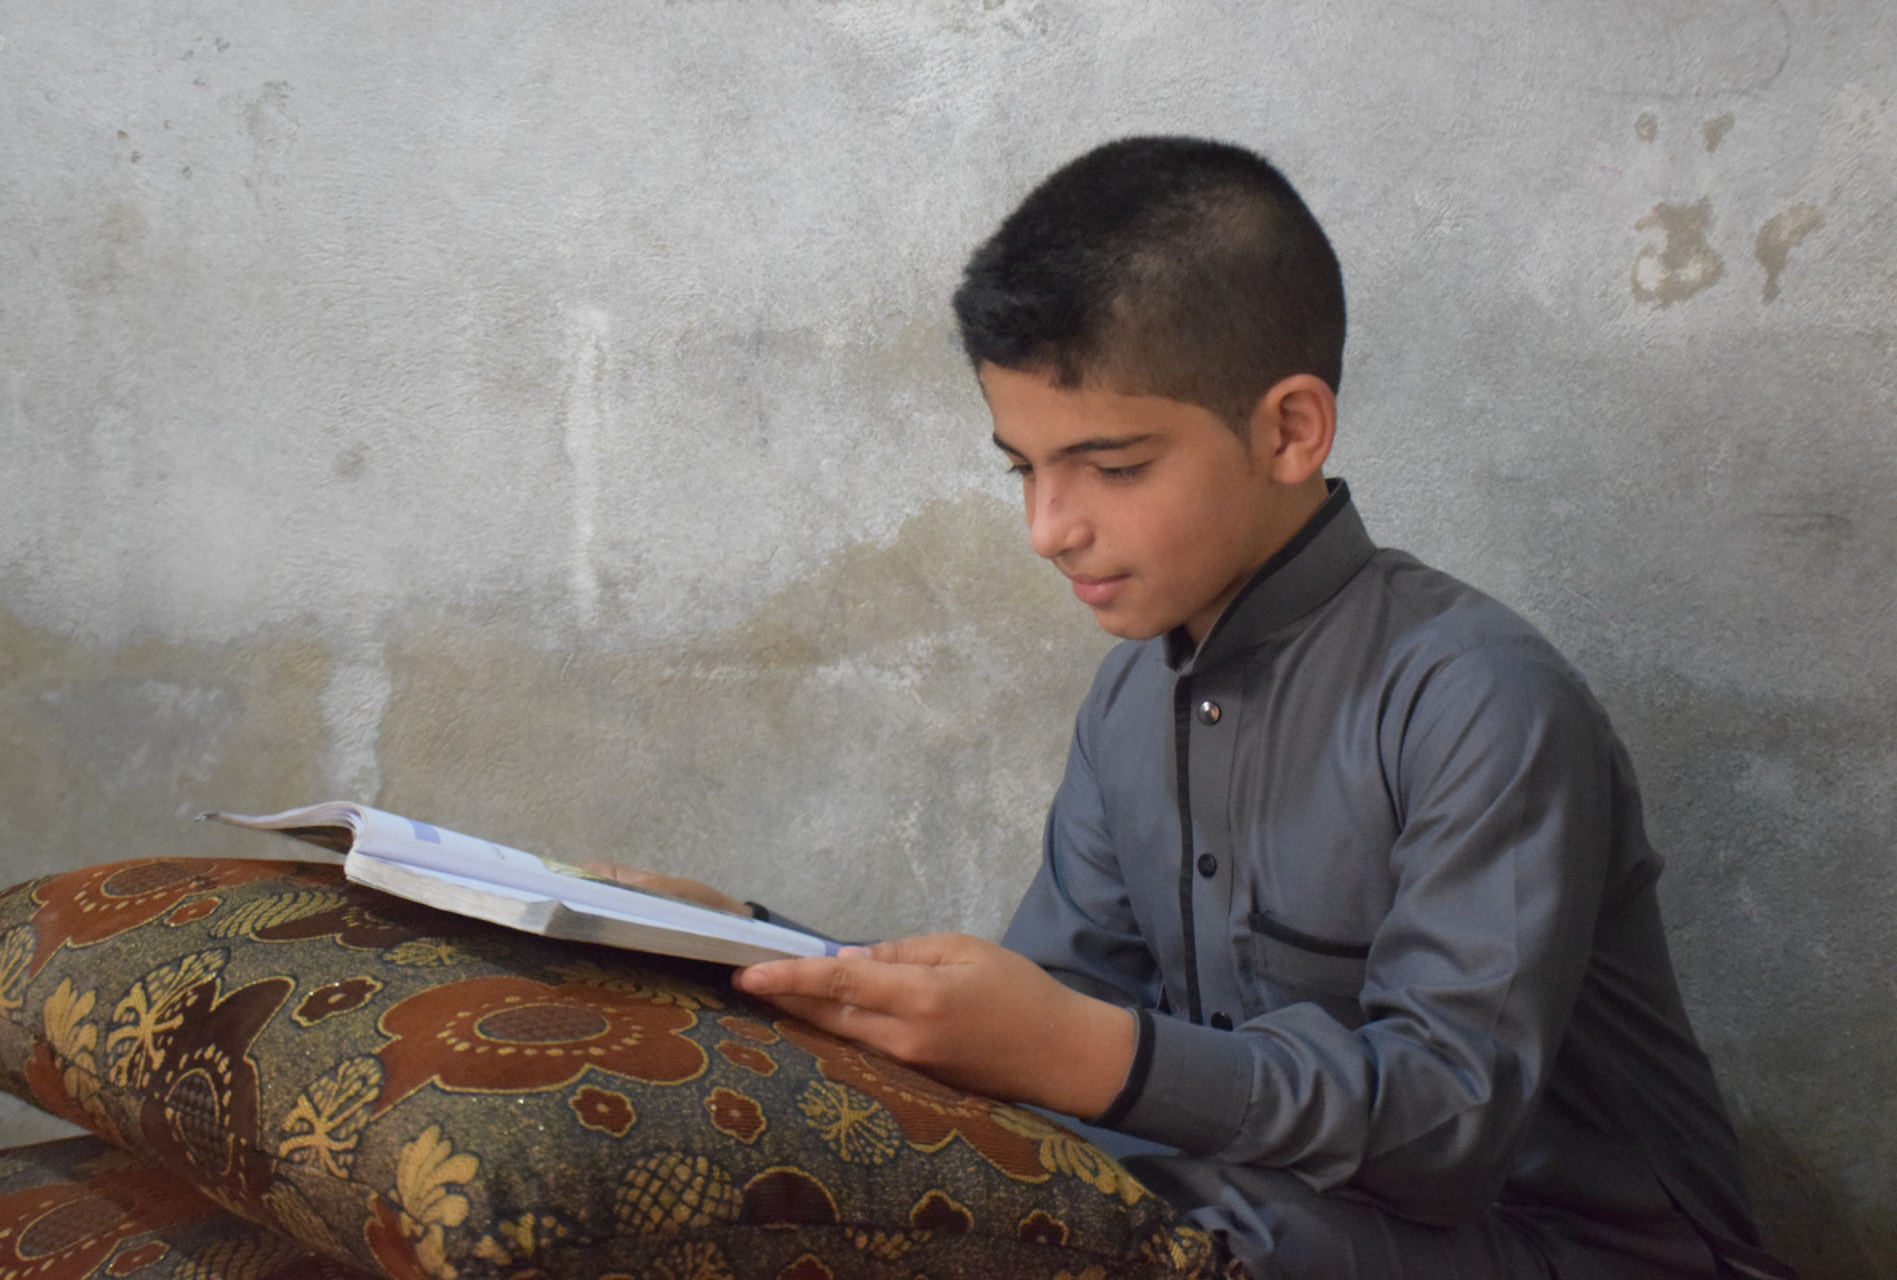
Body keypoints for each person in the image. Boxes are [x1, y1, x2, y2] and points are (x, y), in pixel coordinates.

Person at [619, 137, 1791, 1279]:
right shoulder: (1133, 693)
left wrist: (1081, 1051)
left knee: (1172, 1227)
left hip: (1578, 1244)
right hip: (1271, 1208)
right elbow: (1040, 1025)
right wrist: (763, 953)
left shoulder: (1481, 697)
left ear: (1289, 430)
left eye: (1113, 466)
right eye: (1022, 467)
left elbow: (1443, 1131)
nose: (1047, 527)